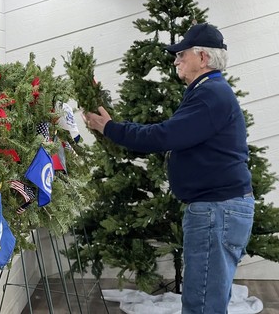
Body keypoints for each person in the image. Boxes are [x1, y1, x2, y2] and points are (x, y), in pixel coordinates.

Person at [83, 23, 254, 314]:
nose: (176, 60)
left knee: (202, 305)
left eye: (181, 54)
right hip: (219, 209)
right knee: (209, 301)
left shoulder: (211, 94)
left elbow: (165, 135)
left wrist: (112, 128)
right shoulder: (209, 90)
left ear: (202, 58)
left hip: (216, 211)